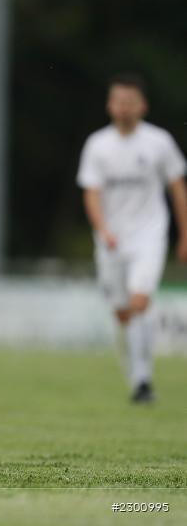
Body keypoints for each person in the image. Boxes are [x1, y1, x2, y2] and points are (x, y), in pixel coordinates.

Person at [77, 73, 187, 403]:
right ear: (110, 105)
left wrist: (184, 234)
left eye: (130, 102)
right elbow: (91, 193)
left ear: (143, 106)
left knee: (140, 302)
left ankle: (143, 381)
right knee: (123, 312)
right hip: (111, 240)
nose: (124, 108)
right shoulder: (98, 145)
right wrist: (103, 229)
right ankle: (135, 375)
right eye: (118, 101)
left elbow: (177, 188)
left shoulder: (159, 142)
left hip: (149, 236)